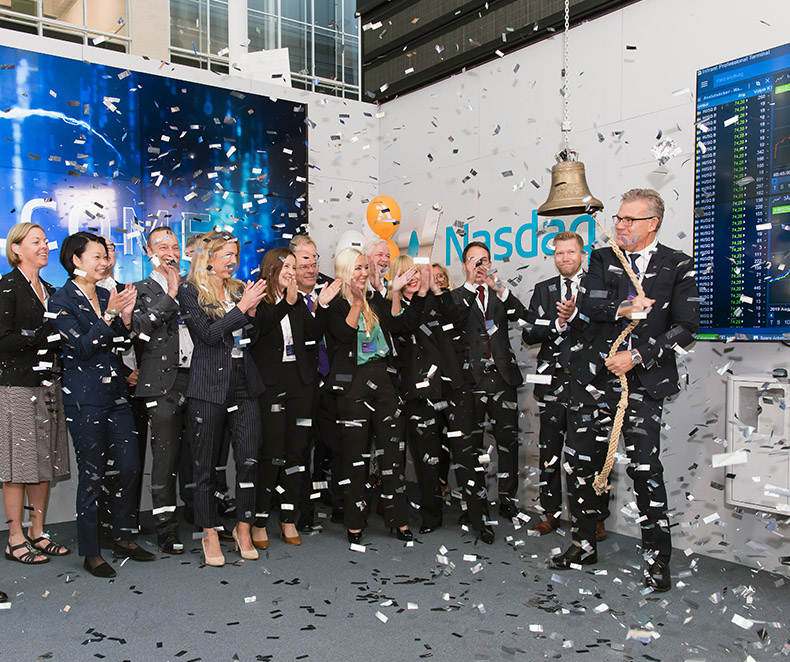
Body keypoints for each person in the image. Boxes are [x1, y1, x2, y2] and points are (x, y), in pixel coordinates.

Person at [550, 189, 699, 594]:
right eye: (618, 218)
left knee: (646, 472)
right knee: (581, 465)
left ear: (652, 223)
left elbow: (687, 327)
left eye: (629, 220)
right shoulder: (602, 257)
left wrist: (637, 355)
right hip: (595, 379)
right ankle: (582, 544)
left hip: (643, 382)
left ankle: (656, 560)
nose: (620, 225)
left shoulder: (678, 264)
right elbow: (592, 304)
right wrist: (623, 309)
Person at [49, 232, 155, 578]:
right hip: (84, 400)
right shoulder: (60, 301)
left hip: (116, 396)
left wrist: (123, 321)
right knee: (92, 475)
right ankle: (91, 551)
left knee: (129, 466)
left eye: (104, 256)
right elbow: (79, 349)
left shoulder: (109, 294)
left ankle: (124, 536)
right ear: (75, 261)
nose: (103, 262)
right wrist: (110, 316)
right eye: (95, 256)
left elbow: (121, 343)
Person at [323, 247, 427, 544]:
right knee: (356, 456)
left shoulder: (374, 299)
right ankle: (354, 523)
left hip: (382, 379)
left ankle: (399, 519)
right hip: (352, 383)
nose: (362, 274)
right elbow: (343, 336)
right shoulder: (334, 304)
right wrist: (355, 302)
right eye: (356, 268)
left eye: (363, 268)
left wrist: (393, 293)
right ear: (344, 272)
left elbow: (398, 325)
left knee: (391, 452)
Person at [388, 255, 494, 544]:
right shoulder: (393, 307)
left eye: (416, 272)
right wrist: (408, 293)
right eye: (406, 273)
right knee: (427, 461)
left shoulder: (441, 300)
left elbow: (458, 315)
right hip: (418, 394)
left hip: (454, 388)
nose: (413, 277)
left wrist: (436, 289)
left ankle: (479, 518)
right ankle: (431, 516)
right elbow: (401, 327)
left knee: (468, 455)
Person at [179, 231, 266, 567]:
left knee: (248, 459)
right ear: (208, 256)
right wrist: (242, 309)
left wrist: (251, 311)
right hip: (208, 387)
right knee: (204, 466)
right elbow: (209, 335)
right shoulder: (190, 291)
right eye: (226, 255)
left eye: (235, 254)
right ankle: (209, 532)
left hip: (245, 385)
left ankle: (243, 527)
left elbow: (251, 336)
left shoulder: (238, 289)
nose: (233, 261)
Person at [250, 247, 340, 548]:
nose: (291, 271)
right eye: (285, 266)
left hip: (301, 384)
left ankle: (287, 518)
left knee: (296, 454)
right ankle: (259, 519)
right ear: (272, 268)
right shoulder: (259, 299)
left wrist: (323, 307)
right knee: (272, 453)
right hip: (272, 385)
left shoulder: (300, 301)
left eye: (293, 266)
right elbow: (260, 329)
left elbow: (312, 334)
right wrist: (287, 301)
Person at [522, 231, 608, 540]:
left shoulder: (597, 288)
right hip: (551, 386)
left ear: (582, 255)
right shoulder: (543, 290)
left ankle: (594, 518)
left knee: (590, 456)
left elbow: (604, 332)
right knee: (549, 452)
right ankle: (550, 513)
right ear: (553, 257)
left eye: (570, 252)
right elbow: (529, 333)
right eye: (559, 253)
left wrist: (577, 316)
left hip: (588, 386)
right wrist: (557, 324)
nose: (565, 258)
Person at [0, 222, 70, 565]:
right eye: (36, 241)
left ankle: (37, 532)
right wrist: (42, 338)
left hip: (48, 385)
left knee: (43, 462)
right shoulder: (7, 288)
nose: (44, 246)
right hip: (16, 387)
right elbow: (3, 340)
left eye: (45, 241)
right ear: (17, 248)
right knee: (17, 466)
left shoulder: (51, 289)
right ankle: (15, 538)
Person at [452, 242, 527, 520]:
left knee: (508, 442)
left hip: (502, 378)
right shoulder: (457, 296)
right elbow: (454, 321)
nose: (479, 265)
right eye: (473, 261)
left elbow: (523, 317)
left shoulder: (500, 294)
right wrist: (471, 286)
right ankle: (476, 501)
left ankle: (508, 499)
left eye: (483, 260)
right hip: (470, 381)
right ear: (464, 265)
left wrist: (502, 291)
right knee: (472, 445)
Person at [132, 227, 195, 555]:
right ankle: (166, 530)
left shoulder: (193, 289)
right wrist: (169, 294)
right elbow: (139, 328)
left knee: (200, 455)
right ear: (148, 252)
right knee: (165, 460)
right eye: (162, 247)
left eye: (175, 246)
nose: (170, 253)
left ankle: (202, 519)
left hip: (196, 379)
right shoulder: (138, 290)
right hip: (161, 384)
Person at [96, 236, 150, 547]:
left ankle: (125, 524)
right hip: (107, 386)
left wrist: (140, 372)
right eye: (99, 251)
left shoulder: (129, 290)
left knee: (132, 460)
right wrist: (125, 372)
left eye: (111, 250)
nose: (106, 256)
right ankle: (102, 525)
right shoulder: (80, 294)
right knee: (103, 461)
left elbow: (142, 333)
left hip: (137, 386)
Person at [288, 234, 336, 533]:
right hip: (298, 381)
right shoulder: (284, 294)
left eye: (315, 259)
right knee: (300, 448)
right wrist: (318, 305)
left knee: (330, 444)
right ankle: (301, 510)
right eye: (306, 260)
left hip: (330, 378)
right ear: (292, 262)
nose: (312, 266)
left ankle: (323, 497)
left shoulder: (331, 288)